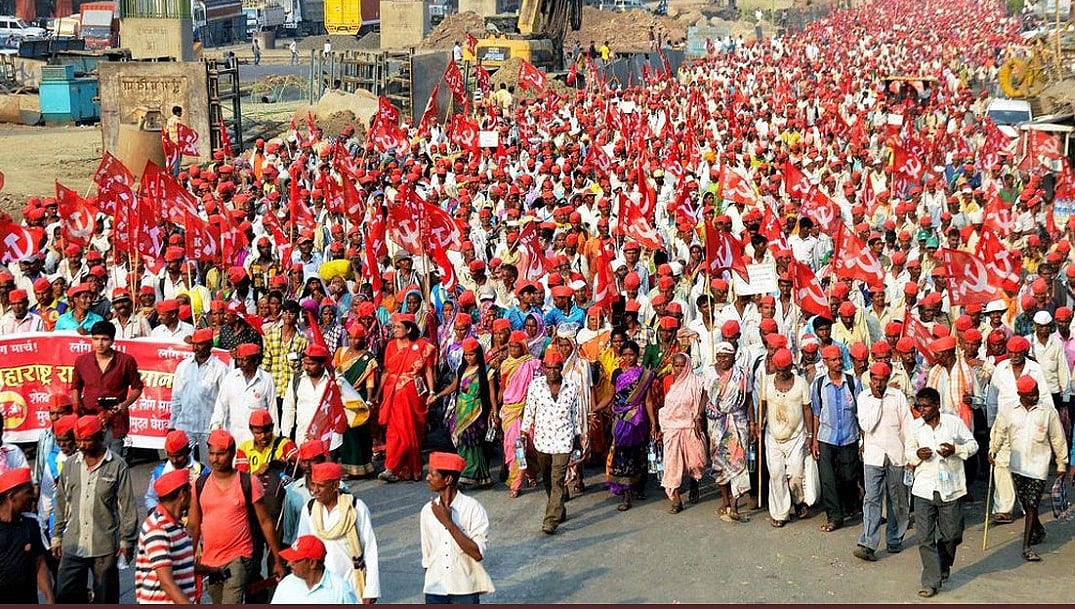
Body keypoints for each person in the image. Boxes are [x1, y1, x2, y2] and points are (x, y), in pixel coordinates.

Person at [187, 429, 286, 604]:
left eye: (221, 454)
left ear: (232, 453)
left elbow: (265, 522)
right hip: (211, 561)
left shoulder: (248, 482)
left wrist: (277, 559)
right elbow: (194, 526)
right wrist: (186, 560)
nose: (215, 459)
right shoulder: (199, 484)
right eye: (211, 454)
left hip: (239, 557)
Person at [52, 415, 138, 603]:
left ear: (100, 437)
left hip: (104, 546)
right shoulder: (70, 465)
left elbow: (127, 507)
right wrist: (57, 536)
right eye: (79, 440)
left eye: (87, 440)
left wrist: (126, 542)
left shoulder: (117, 466)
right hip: (73, 543)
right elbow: (62, 502)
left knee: (105, 597)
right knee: (64, 594)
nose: (82, 445)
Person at [905, 387, 977, 598]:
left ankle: (942, 564)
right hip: (924, 488)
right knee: (924, 537)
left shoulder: (953, 423)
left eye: (925, 406)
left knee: (952, 535)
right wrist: (917, 455)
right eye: (919, 406)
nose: (921, 410)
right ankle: (931, 581)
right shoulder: (916, 427)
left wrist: (956, 450)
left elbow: (973, 445)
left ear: (937, 405)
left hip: (951, 488)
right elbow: (908, 452)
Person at [989, 375, 1068, 562]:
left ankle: (1026, 546)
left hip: (1039, 466)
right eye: (1029, 395)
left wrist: (1061, 463)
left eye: (1036, 393)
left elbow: (1058, 438)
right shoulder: (1008, 411)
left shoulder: (1047, 411)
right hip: (1017, 465)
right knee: (1026, 503)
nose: (1034, 397)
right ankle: (1038, 530)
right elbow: (999, 431)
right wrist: (993, 450)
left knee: (1032, 504)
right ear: (1020, 395)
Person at [854, 362, 913, 561]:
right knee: (872, 498)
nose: (878, 385)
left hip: (897, 454)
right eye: (875, 380)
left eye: (882, 381)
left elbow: (907, 426)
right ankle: (868, 543)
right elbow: (867, 425)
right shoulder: (864, 398)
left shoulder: (898, 397)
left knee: (897, 500)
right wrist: (878, 401)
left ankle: (895, 538)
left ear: (887, 380)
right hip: (873, 455)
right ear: (870, 379)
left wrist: (910, 455)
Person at [296, 461, 380, 603]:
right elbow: (302, 548)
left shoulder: (356, 508)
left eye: (321, 486)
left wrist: (371, 589)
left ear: (335, 486)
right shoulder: (309, 509)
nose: (314, 490)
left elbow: (370, 550)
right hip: (320, 585)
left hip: (351, 583)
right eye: (313, 484)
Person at [420, 452, 495, 604]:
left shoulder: (473, 508)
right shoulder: (427, 510)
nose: (427, 478)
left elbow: (477, 553)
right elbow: (427, 555)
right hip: (436, 589)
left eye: (432, 475)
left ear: (447, 479)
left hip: (465, 589)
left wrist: (449, 523)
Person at [521, 349, 580, 534]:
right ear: (544, 368)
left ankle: (551, 519)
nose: (552, 372)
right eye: (549, 368)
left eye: (556, 368)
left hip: (564, 440)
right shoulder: (536, 386)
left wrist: (578, 439)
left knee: (557, 479)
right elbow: (529, 410)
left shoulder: (571, 387)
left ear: (561, 368)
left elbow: (576, 415)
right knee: (547, 477)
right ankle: (558, 507)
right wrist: (523, 433)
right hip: (542, 440)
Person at [594, 340, 655, 512]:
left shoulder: (644, 374)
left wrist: (653, 423)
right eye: (625, 354)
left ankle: (638, 486)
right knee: (623, 455)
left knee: (639, 454)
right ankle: (626, 495)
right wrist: (595, 409)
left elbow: (648, 400)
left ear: (637, 355)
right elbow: (610, 396)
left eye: (632, 354)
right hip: (621, 419)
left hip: (638, 419)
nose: (628, 358)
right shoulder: (617, 373)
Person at [375, 313, 436, 482]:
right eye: (393, 327)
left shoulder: (422, 346)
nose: (394, 330)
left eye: (398, 327)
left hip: (413, 395)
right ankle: (391, 468)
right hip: (393, 394)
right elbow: (386, 371)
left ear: (408, 329)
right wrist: (378, 393)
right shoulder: (390, 346)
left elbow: (428, 370)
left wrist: (432, 392)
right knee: (394, 433)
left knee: (411, 434)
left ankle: (409, 469)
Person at [70, 320, 144, 458]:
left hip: (115, 419)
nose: (100, 343)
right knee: (89, 458)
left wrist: (123, 405)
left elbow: (137, 388)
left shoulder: (126, 361)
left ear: (112, 341)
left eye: (104, 339)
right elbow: (75, 386)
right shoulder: (82, 361)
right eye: (96, 339)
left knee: (114, 461)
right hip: (88, 416)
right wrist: (76, 404)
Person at [429, 338, 495, 488]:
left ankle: (468, 474)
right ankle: (483, 476)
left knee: (472, 441)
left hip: (477, 410)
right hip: (461, 409)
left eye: (471, 355)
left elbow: (491, 394)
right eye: (466, 355)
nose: (468, 358)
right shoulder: (462, 369)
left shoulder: (487, 371)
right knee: (461, 441)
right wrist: (438, 396)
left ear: (478, 354)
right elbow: (454, 386)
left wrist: (494, 412)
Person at [810, 344, 861, 532]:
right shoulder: (818, 385)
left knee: (848, 477)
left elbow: (860, 413)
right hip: (826, 439)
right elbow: (816, 413)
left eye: (839, 359)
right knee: (828, 479)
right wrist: (814, 439)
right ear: (825, 362)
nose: (838, 363)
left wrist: (863, 440)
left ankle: (851, 504)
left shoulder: (853, 383)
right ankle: (834, 517)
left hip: (849, 438)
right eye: (833, 360)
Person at [758, 347, 812, 526]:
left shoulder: (801, 383)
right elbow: (762, 405)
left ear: (791, 367)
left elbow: (807, 409)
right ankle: (780, 513)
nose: (781, 374)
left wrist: (810, 435)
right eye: (778, 370)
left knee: (796, 474)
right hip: (773, 436)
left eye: (784, 370)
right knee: (776, 474)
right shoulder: (766, 381)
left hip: (796, 436)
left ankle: (798, 500)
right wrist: (758, 425)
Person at [701, 341, 754, 522]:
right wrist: (696, 416)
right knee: (719, 462)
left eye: (727, 356)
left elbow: (748, 400)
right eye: (720, 356)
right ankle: (725, 499)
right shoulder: (709, 373)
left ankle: (735, 503)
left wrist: (753, 423)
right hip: (715, 424)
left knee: (738, 461)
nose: (723, 360)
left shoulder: (742, 373)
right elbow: (705, 396)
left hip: (738, 422)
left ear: (733, 356)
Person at [134, 469, 196, 604]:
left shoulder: (176, 525)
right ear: (182, 494)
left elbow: (180, 564)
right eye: (190, 490)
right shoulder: (158, 529)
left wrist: (212, 569)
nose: (192, 494)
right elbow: (167, 582)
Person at [659, 353, 707, 514]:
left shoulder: (696, 382)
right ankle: (676, 499)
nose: (679, 369)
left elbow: (704, 396)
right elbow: (663, 404)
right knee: (672, 464)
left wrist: (699, 416)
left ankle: (694, 483)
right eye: (676, 365)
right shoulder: (667, 381)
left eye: (682, 365)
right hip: (671, 428)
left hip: (690, 425)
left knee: (696, 462)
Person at [170, 327, 228, 461]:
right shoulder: (183, 367)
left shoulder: (220, 369)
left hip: (208, 428)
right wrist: (172, 426)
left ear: (210, 345)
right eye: (194, 344)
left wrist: (219, 429)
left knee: (209, 468)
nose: (196, 348)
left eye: (200, 344)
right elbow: (176, 398)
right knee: (182, 467)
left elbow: (224, 402)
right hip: (184, 426)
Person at [496, 330, 540, 497]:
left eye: (517, 347)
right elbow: (503, 388)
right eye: (511, 346)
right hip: (510, 411)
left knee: (530, 447)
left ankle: (531, 472)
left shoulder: (532, 364)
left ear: (523, 348)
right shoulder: (506, 365)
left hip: (528, 409)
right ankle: (516, 483)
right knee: (514, 447)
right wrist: (495, 411)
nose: (513, 350)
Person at [0, 468, 53, 603]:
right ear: (12, 496)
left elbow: (39, 562)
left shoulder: (31, 524)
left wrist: (49, 596)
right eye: (28, 492)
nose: (34, 496)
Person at [211, 342, 277, 446]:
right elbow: (220, 405)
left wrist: (274, 439)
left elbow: (272, 410)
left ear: (255, 361)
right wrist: (215, 427)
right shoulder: (230, 378)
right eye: (239, 359)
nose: (240, 363)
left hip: (257, 440)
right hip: (233, 438)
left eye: (244, 360)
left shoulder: (266, 379)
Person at [334, 323, 378, 478]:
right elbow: (335, 373)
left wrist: (370, 398)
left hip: (357, 398)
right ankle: (348, 467)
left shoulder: (368, 358)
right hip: (341, 397)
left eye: (357, 339)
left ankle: (363, 466)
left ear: (363, 339)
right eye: (351, 338)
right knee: (346, 433)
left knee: (359, 432)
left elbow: (370, 381)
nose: (354, 342)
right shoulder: (340, 352)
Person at [282, 344, 342, 451]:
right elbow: (288, 409)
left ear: (322, 364)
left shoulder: (335, 381)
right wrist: (286, 437)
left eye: (311, 364)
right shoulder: (297, 380)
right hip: (303, 439)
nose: (306, 367)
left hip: (329, 441)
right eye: (305, 363)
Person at [271, 535, 358, 603]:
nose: (289, 564)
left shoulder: (341, 590)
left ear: (312, 563)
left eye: (296, 560)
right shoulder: (286, 584)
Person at [144, 429, 204, 514]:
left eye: (178, 456)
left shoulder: (201, 471)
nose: (174, 460)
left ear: (188, 451)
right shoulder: (160, 472)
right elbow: (151, 498)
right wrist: (154, 510)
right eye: (171, 456)